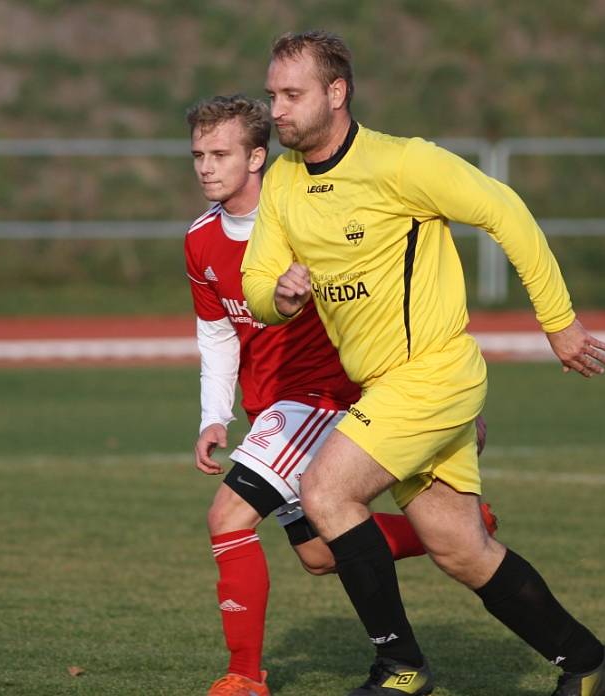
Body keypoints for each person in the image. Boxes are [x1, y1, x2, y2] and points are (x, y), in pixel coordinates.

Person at [241, 31, 605, 696]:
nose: (276, 108)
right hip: (389, 386)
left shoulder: (401, 163)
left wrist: (558, 322)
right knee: (460, 549)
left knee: (326, 493)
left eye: (292, 94)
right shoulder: (281, 183)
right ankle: (589, 663)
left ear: (336, 94)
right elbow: (258, 279)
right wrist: (276, 295)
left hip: (432, 376)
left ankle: (401, 665)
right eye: (272, 93)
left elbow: (504, 209)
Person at [183, 94, 497, 696]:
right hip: (270, 408)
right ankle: (455, 533)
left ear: (256, 157)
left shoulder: (304, 220)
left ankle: (244, 677)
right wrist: (213, 416)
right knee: (322, 556)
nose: (204, 166)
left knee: (227, 517)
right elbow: (217, 331)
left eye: (219, 154)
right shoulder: (200, 240)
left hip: (320, 398)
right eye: (197, 154)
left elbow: (400, 304)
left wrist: (455, 402)